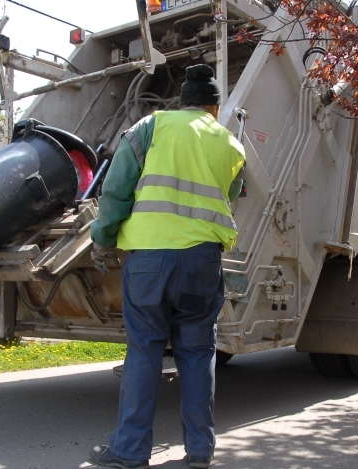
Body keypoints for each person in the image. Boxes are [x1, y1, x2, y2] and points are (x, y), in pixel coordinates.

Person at [88, 64, 246, 469]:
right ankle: (200, 451)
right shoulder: (230, 143)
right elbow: (235, 192)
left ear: (182, 101)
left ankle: (130, 452)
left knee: (145, 352)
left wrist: (104, 239)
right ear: (213, 106)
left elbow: (116, 188)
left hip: (149, 260)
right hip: (202, 262)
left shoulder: (150, 126)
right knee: (198, 352)